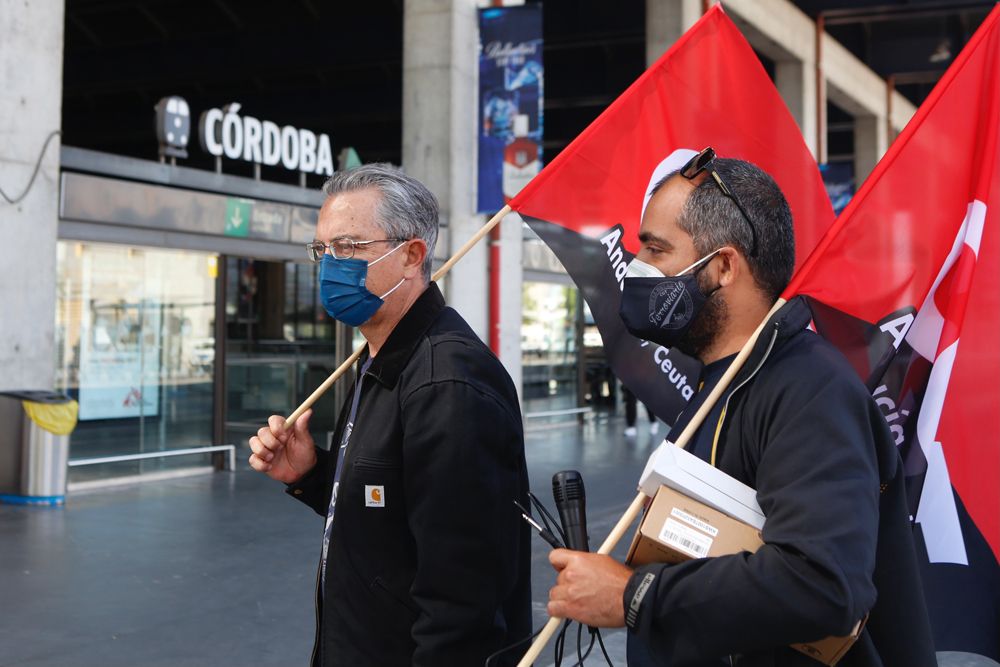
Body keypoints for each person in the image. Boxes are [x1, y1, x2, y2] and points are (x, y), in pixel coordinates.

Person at [545, 148, 936, 666]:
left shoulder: (810, 390)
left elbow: (824, 583)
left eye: (657, 250)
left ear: (725, 265)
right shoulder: (720, 381)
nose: (639, 269)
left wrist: (634, 595)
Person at [248, 163, 531, 667]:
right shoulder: (378, 360)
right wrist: (313, 474)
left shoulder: (446, 383)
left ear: (412, 256)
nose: (330, 265)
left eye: (349, 247)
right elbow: (394, 512)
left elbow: (462, 601)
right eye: (323, 250)